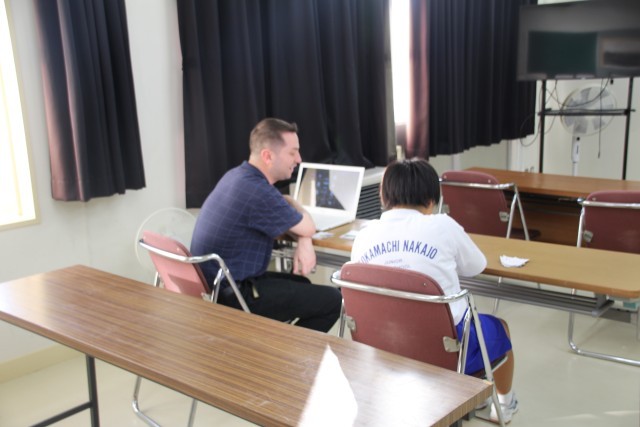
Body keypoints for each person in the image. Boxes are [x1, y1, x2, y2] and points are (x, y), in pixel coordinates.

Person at [350, 158, 518, 423]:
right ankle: (505, 406)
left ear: (383, 196)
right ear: (432, 200)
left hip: (380, 348)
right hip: (442, 350)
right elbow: (477, 266)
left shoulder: (364, 236)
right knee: (500, 327)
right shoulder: (442, 225)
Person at [190, 118, 342, 333]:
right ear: (268, 156)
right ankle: (286, 351)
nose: (299, 159)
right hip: (235, 296)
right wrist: (304, 234)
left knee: (303, 286)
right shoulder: (258, 191)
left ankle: (280, 344)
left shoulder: (237, 176)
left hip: (217, 288)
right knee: (332, 301)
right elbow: (308, 227)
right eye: (292, 153)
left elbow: (292, 218)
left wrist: (303, 238)